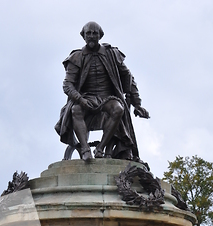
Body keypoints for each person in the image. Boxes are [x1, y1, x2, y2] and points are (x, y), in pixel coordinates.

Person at [55, 21, 149, 162]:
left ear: (100, 35)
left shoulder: (112, 54)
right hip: (86, 97)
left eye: (95, 33)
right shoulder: (76, 57)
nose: (91, 36)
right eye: (88, 33)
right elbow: (67, 85)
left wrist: (137, 104)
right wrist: (80, 99)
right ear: (83, 36)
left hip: (108, 97)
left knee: (118, 109)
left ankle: (101, 149)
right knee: (76, 110)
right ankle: (86, 150)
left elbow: (128, 76)